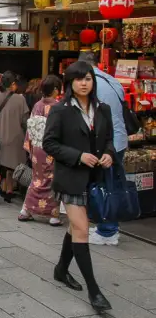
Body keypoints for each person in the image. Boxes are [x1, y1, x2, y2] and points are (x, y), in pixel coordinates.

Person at [42, 61, 114, 312]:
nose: (84, 83)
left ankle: (61, 269)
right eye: (79, 79)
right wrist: (78, 156)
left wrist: (108, 154)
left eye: (88, 79)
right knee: (82, 229)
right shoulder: (60, 110)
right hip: (71, 177)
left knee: (76, 228)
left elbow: (109, 141)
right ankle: (95, 291)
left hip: (94, 179)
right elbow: (49, 143)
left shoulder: (102, 109)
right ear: (70, 83)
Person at [78, 51, 128, 246]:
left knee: (103, 186)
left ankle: (107, 230)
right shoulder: (113, 81)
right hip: (119, 140)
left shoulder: (91, 85)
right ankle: (107, 226)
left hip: (104, 144)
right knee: (111, 185)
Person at [19, 75, 63, 226]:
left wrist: (29, 145)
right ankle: (53, 214)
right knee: (51, 179)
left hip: (37, 147)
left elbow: (30, 127)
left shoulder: (37, 104)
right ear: (56, 90)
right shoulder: (58, 106)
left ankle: (27, 209)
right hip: (51, 147)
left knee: (37, 179)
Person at [0, 71, 29, 203]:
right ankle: (9, 189)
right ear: (13, 84)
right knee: (11, 165)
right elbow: (25, 121)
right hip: (15, 137)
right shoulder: (20, 99)